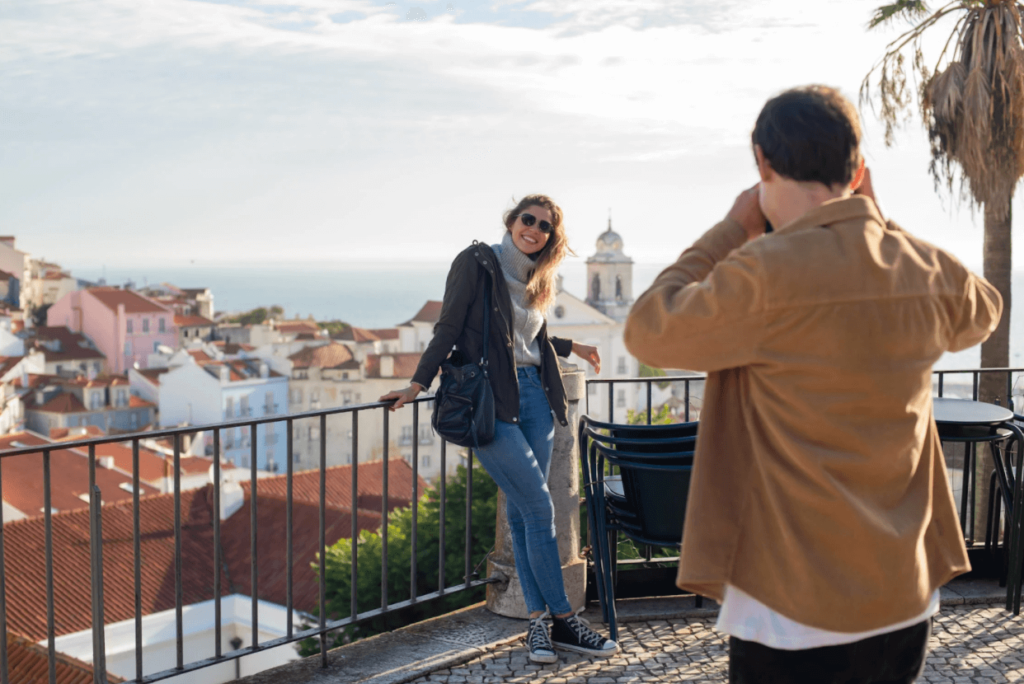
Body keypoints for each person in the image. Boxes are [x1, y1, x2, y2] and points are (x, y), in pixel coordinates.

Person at [624, 86, 1002, 684]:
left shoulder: (765, 271)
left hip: (790, 605)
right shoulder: (918, 271)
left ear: (762, 162)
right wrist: (878, 221)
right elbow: (984, 308)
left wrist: (730, 229)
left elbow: (648, 329)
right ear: (857, 171)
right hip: (901, 593)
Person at [381, 194, 620, 663]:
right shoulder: (477, 262)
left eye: (544, 225)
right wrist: (416, 384)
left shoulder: (538, 277)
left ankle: (535, 625)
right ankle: (565, 620)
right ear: (510, 222)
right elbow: (448, 327)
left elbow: (530, 336)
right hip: (488, 401)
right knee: (538, 506)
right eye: (526, 219)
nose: (533, 228)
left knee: (521, 513)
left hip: (535, 395)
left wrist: (574, 345)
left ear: (552, 236)